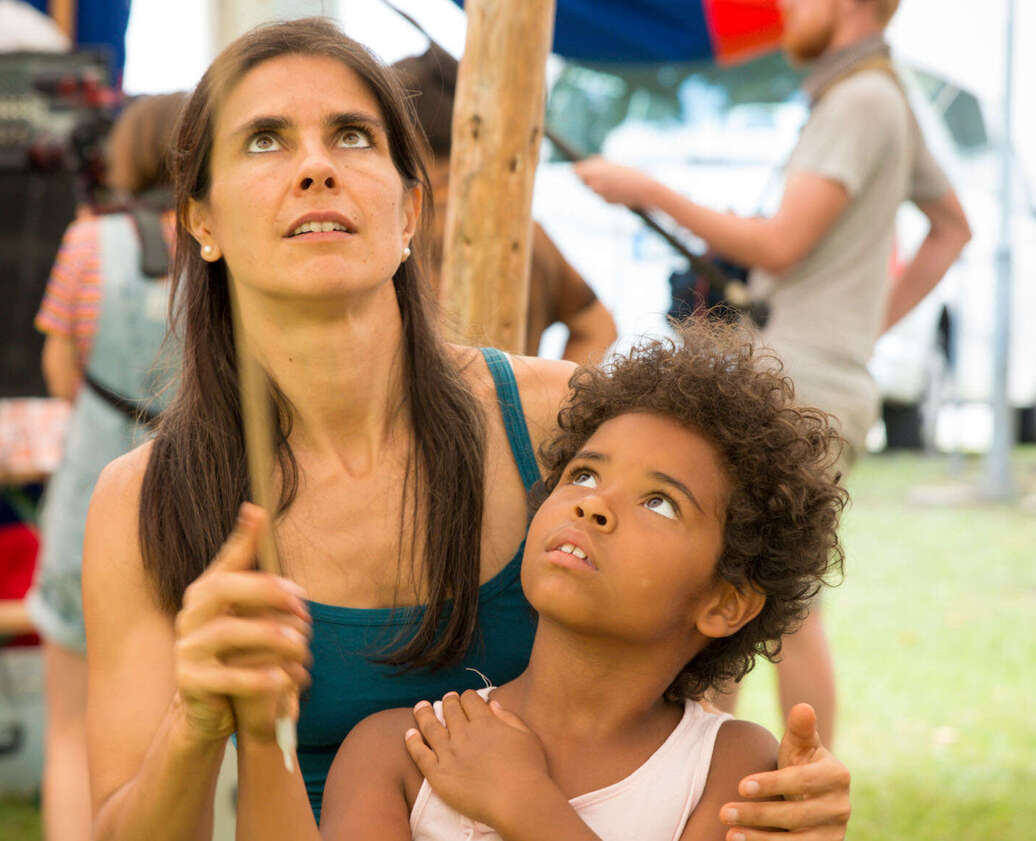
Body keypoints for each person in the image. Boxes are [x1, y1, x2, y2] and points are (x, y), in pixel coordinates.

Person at [81, 19, 851, 841]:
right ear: (202, 221)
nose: (315, 166)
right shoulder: (145, 500)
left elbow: (689, 678)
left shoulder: (563, 424)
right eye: (265, 140)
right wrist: (196, 725)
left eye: (351, 135)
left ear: (410, 208)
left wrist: (775, 801)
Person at [233, 321, 848, 841]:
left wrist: (528, 806)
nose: (593, 505)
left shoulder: (731, 768)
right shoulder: (398, 752)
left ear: (725, 602)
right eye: (582, 475)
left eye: (659, 502)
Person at [573, 0, 972, 748]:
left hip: (802, 385)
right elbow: (952, 229)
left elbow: (783, 245)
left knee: (778, 600)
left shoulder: (861, 99)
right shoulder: (881, 92)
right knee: (740, 585)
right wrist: (862, 326)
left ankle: (797, 782)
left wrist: (648, 190)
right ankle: (711, 769)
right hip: (820, 373)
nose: (782, 8)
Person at [27, 91, 186, 841]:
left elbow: (61, 374)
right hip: (197, 498)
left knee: (70, 728)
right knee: (192, 729)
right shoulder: (228, 241)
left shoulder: (87, 242)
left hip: (92, 489)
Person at [393, 45, 618, 365]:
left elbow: (597, 327)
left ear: (403, 135)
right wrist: (549, 407)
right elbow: (598, 326)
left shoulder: (396, 232)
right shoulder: (526, 233)